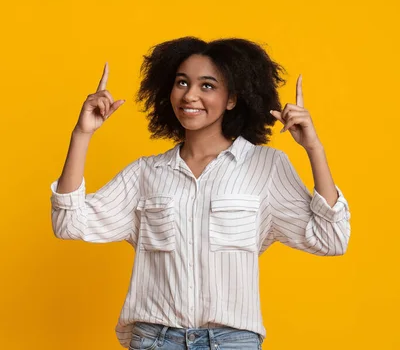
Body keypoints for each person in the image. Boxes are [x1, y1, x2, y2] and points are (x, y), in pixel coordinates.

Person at [50, 37, 351, 350]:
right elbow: (69, 223)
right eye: (182, 82)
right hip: (155, 340)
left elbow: (331, 238)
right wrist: (82, 134)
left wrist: (313, 148)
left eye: (207, 85)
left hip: (233, 342)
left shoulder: (266, 166)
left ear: (232, 99)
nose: (190, 95)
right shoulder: (146, 173)